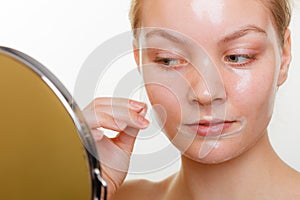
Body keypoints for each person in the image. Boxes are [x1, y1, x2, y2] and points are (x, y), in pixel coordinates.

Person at [83, 0, 300, 199]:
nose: (205, 93)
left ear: (284, 56)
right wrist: (81, 188)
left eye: (237, 57)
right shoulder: (108, 195)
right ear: (140, 61)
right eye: (169, 60)